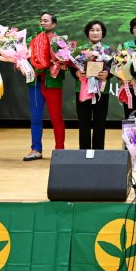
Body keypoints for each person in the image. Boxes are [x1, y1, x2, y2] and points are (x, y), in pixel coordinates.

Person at [23, 12, 66, 161]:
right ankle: (36, 149)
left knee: (56, 118)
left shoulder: (59, 41)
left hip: (52, 83)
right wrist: (22, 65)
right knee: (35, 117)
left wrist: (63, 63)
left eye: (46, 21)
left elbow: (66, 62)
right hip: (35, 83)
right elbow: (23, 58)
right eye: (41, 20)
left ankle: (60, 150)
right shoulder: (31, 39)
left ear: (54, 24)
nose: (42, 23)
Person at [75, 20, 112, 150]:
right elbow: (73, 67)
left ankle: (98, 152)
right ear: (87, 32)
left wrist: (107, 74)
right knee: (83, 122)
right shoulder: (80, 49)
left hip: (101, 90)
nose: (95, 33)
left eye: (98, 30)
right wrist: (77, 73)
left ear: (102, 33)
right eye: (92, 30)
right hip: (83, 90)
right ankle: (84, 152)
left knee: (100, 122)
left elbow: (113, 69)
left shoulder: (109, 50)